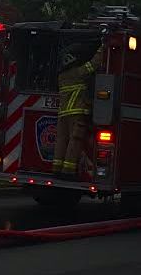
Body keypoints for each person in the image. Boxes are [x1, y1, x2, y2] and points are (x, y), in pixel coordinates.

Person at [52, 42, 104, 179]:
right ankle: (68, 171)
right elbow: (93, 65)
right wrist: (103, 48)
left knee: (61, 140)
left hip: (63, 114)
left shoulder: (61, 76)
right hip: (77, 112)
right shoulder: (77, 72)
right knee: (75, 140)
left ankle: (56, 169)